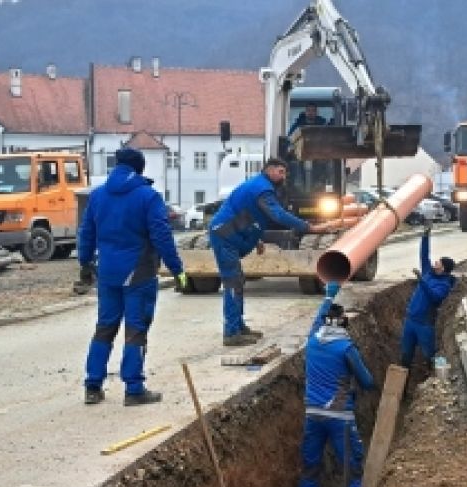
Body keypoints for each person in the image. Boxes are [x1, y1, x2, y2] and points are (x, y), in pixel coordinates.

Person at [77, 147, 188, 406]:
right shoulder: (148, 197)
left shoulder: (98, 196)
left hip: (107, 272)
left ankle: (93, 386)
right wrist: (177, 270)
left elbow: (86, 233)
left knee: (105, 327)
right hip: (138, 273)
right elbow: (162, 236)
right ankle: (134, 389)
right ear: (140, 168)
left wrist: (84, 262)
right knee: (136, 329)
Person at [209, 157, 330, 346]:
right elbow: (278, 214)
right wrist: (307, 227)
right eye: (280, 172)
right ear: (269, 170)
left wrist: (256, 239)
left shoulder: (258, 185)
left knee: (237, 281)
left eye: (285, 172)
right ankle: (232, 333)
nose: (283, 176)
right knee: (233, 282)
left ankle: (238, 326)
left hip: (228, 232)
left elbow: (246, 215)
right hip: (225, 235)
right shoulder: (263, 189)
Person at [298, 282, 375, 487]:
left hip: (312, 415)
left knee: (310, 466)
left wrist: (330, 293)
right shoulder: (346, 348)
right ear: (342, 323)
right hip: (340, 418)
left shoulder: (312, 339)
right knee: (352, 467)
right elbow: (367, 381)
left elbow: (319, 317)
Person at [400, 221, 456, 370]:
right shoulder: (428, 272)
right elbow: (424, 255)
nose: (435, 262)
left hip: (425, 325)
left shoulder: (444, 285)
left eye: (439, 262)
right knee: (405, 356)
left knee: (428, 356)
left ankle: (430, 381)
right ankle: (403, 385)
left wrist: (421, 281)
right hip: (410, 320)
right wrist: (425, 236)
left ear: (443, 269)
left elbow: (435, 298)